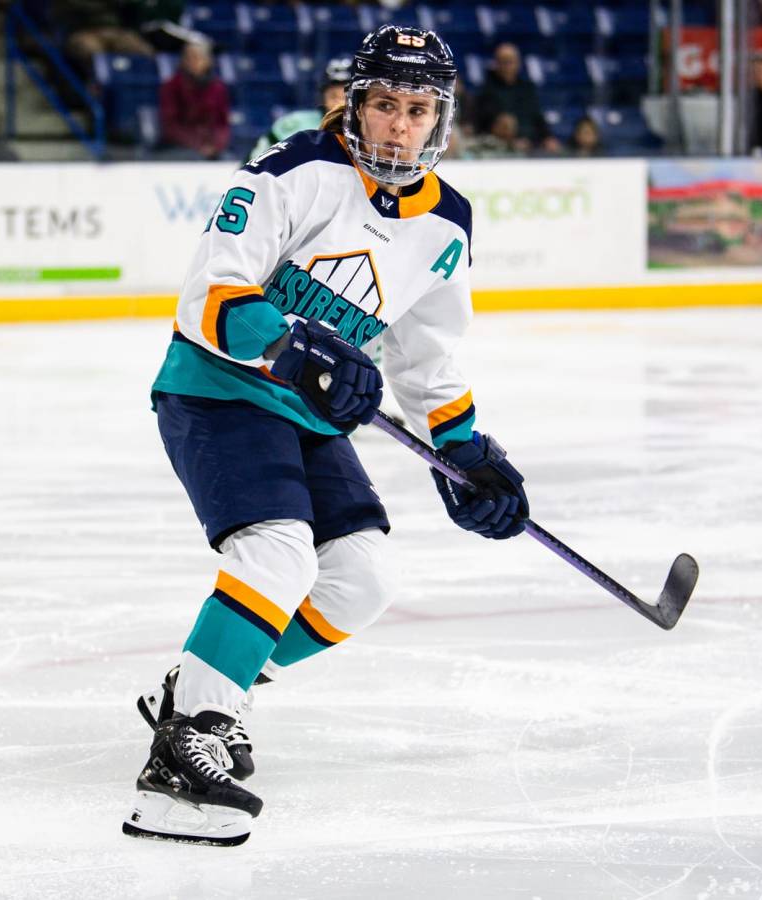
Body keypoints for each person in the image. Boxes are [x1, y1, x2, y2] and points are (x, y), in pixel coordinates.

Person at [126, 24, 529, 846]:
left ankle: (210, 683)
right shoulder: (291, 171)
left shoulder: (448, 222)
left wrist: (465, 453)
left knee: (361, 581)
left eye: (418, 110)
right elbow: (208, 297)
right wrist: (286, 343)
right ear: (354, 103)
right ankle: (185, 746)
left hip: (308, 414)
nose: (400, 126)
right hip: (218, 389)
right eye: (385, 104)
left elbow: (426, 358)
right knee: (278, 552)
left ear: (441, 118)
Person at [246, 57, 350, 162]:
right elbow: (254, 163)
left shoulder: (360, 129)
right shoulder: (295, 124)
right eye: (333, 96)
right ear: (322, 97)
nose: (341, 103)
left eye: (347, 95)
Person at [473, 42, 561, 155]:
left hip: (531, 144)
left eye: (510, 62)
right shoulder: (487, 91)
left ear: (518, 64)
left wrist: (548, 137)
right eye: (503, 62)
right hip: (500, 147)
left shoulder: (527, 89)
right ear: (496, 64)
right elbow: (484, 124)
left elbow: (537, 118)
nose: (507, 66)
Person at [158, 40, 230, 159]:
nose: (194, 62)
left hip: (212, 147)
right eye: (189, 58)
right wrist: (198, 145)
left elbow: (222, 123)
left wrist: (216, 145)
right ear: (183, 61)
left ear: (208, 62)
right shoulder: (171, 86)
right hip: (179, 147)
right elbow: (170, 125)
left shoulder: (218, 87)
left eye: (198, 58)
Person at [52, 0, 153, 79]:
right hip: (81, 31)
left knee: (143, 50)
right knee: (94, 52)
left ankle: (142, 88)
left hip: (113, 30)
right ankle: (99, 87)